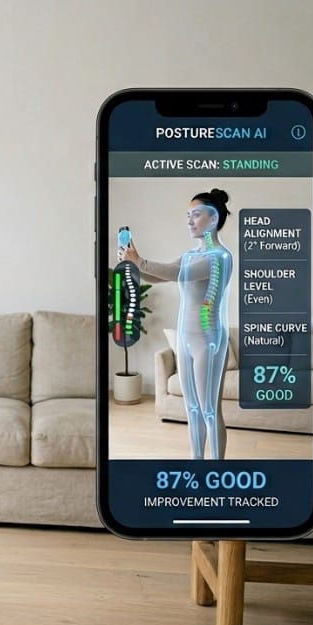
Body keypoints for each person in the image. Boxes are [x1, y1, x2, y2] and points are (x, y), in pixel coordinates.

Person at [122, 189, 233, 459]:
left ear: (214, 219)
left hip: (209, 342)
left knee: (209, 410)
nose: (189, 221)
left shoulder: (220, 257)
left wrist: (141, 261)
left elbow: (177, 274)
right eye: (187, 216)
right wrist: (133, 265)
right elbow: (162, 278)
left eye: (196, 215)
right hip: (186, 340)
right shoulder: (190, 254)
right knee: (192, 409)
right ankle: (197, 464)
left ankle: (216, 471)